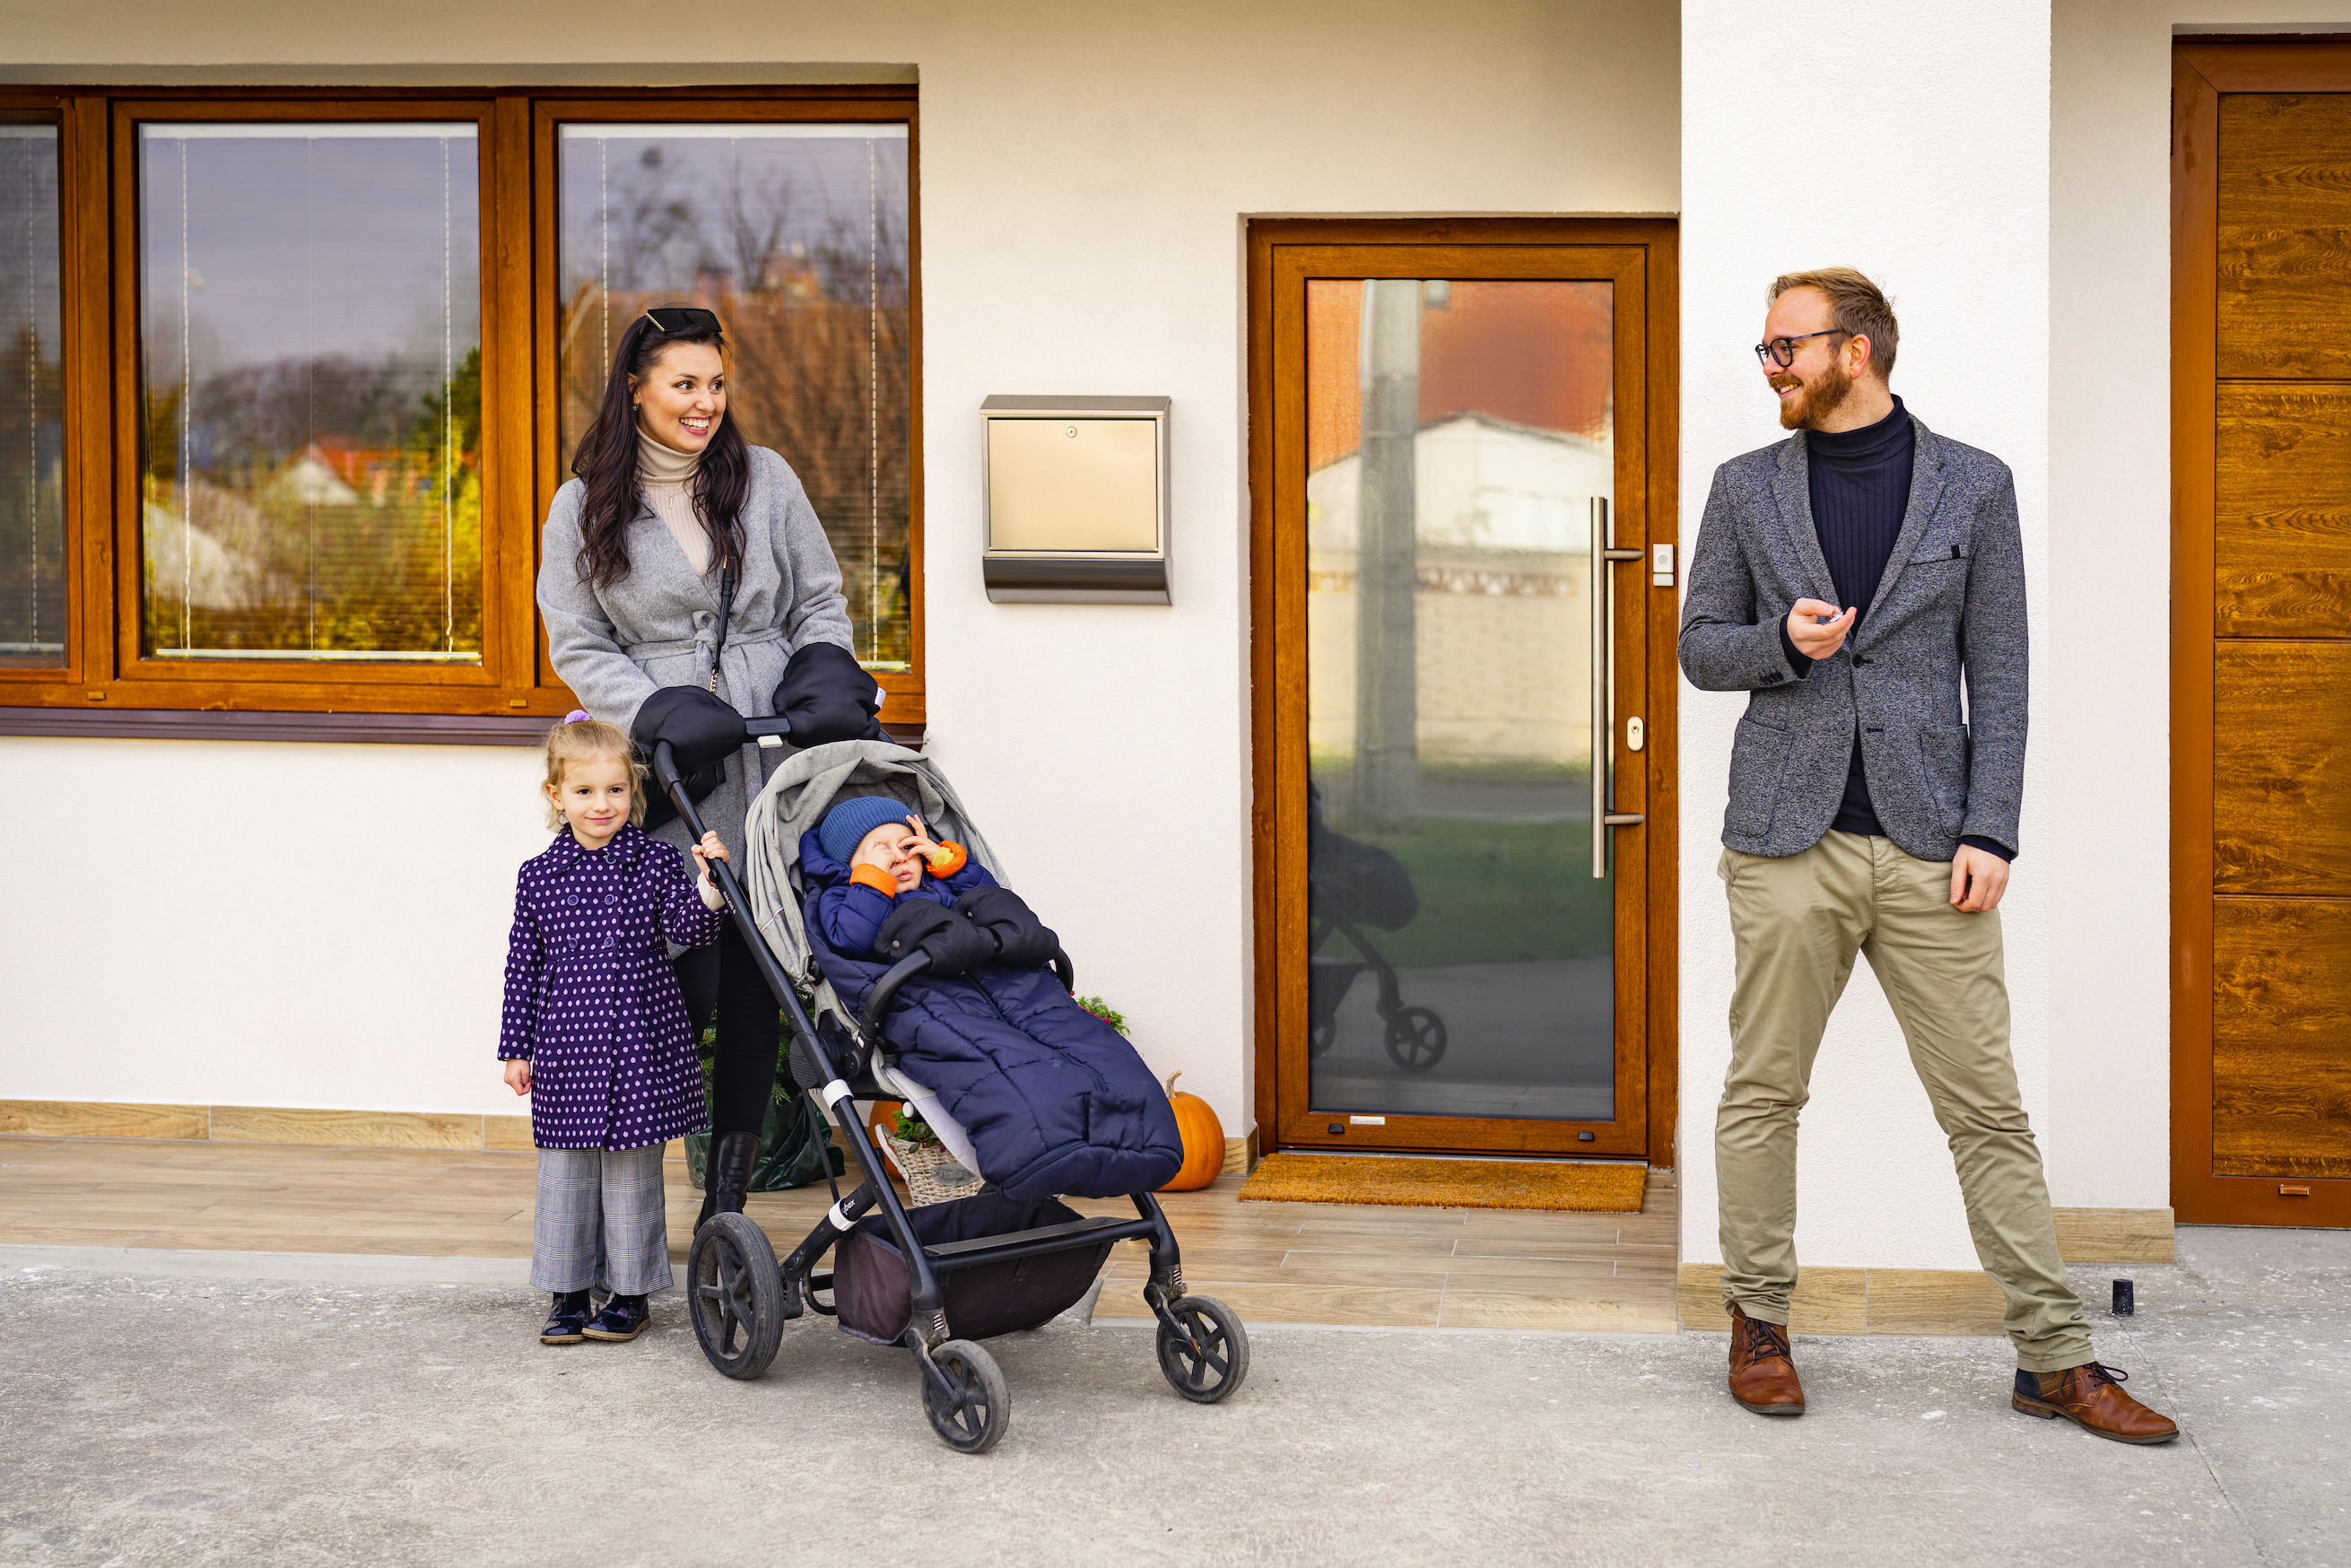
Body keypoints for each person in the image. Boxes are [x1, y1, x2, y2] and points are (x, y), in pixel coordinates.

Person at [1677, 267, 2177, 1444]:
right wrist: (1783, 648)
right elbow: (1700, 647)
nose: (1769, 366)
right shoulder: (1745, 488)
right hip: (1785, 840)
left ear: (1855, 351)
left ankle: (2052, 1360)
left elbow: (1996, 672)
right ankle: (1759, 1325)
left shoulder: (1974, 485)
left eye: (1783, 347)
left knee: (1986, 1111)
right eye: (1763, 349)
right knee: (1764, 1091)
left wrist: (1989, 827)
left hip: (1928, 845)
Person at [538, 305, 885, 1233]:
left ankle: (725, 1207)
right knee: (680, 979)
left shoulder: (762, 476)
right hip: (672, 766)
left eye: (715, 384)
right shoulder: (582, 505)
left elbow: (818, 598)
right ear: (636, 388)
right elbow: (576, 640)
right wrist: (648, 708)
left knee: (760, 977)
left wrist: (821, 669)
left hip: (771, 750)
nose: (703, 403)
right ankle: (622, 1207)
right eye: (683, 384)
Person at [499, 714, 729, 1346]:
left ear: (633, 793)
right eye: (584, 791)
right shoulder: (538, 877)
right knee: (566, 1175)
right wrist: (516, 1048)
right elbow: (524, 964)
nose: (601, 804)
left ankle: (629, 1295)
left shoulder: (654, 863)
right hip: (567, 1047)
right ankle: (568, 1291)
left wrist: (709, 888)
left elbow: (691, 929)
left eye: (615, 790)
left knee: (632, 1174)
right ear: (556, 795)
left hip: (639, 1040)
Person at [808, 797, 989, 958]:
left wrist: (944, 860)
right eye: (882, 851)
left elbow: (992, 901)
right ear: (846, 866)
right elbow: (855, 943)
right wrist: (872, 882)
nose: (900, 857)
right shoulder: (839, 898)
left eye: (907, 846)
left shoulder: (940, 879)